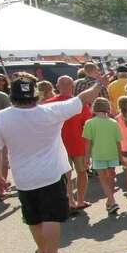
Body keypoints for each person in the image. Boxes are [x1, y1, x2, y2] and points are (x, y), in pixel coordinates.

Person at [0, 76, 100, 253]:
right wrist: (99, 83)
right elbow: (82, 98)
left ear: (12, 95)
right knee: (51, 217)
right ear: (35, 94)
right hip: (50, 174)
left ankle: (42, 251)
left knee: (33, 217)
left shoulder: (0, 118)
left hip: (22, 177)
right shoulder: (50, 111)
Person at [49, 76, 92, 213]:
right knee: (82, 172)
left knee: (65, 175)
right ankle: (80, 200)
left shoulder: (48, 104)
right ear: (72, 86)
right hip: (79, 143)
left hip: (58, 145)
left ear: (57, 86)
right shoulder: (78, 104)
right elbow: (87, 125)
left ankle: (69, 201)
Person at [82, 97, 123, 215]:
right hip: (112, 153)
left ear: (94, 108)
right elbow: (118, 142)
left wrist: (86, 157)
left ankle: (112, 201)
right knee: (111, 177)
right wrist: (121, 156)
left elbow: (88, 142)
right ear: (108, 108)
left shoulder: (90, 123)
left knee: (103, 179)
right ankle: (110, 201)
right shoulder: (113, 122)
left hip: (98, 154)